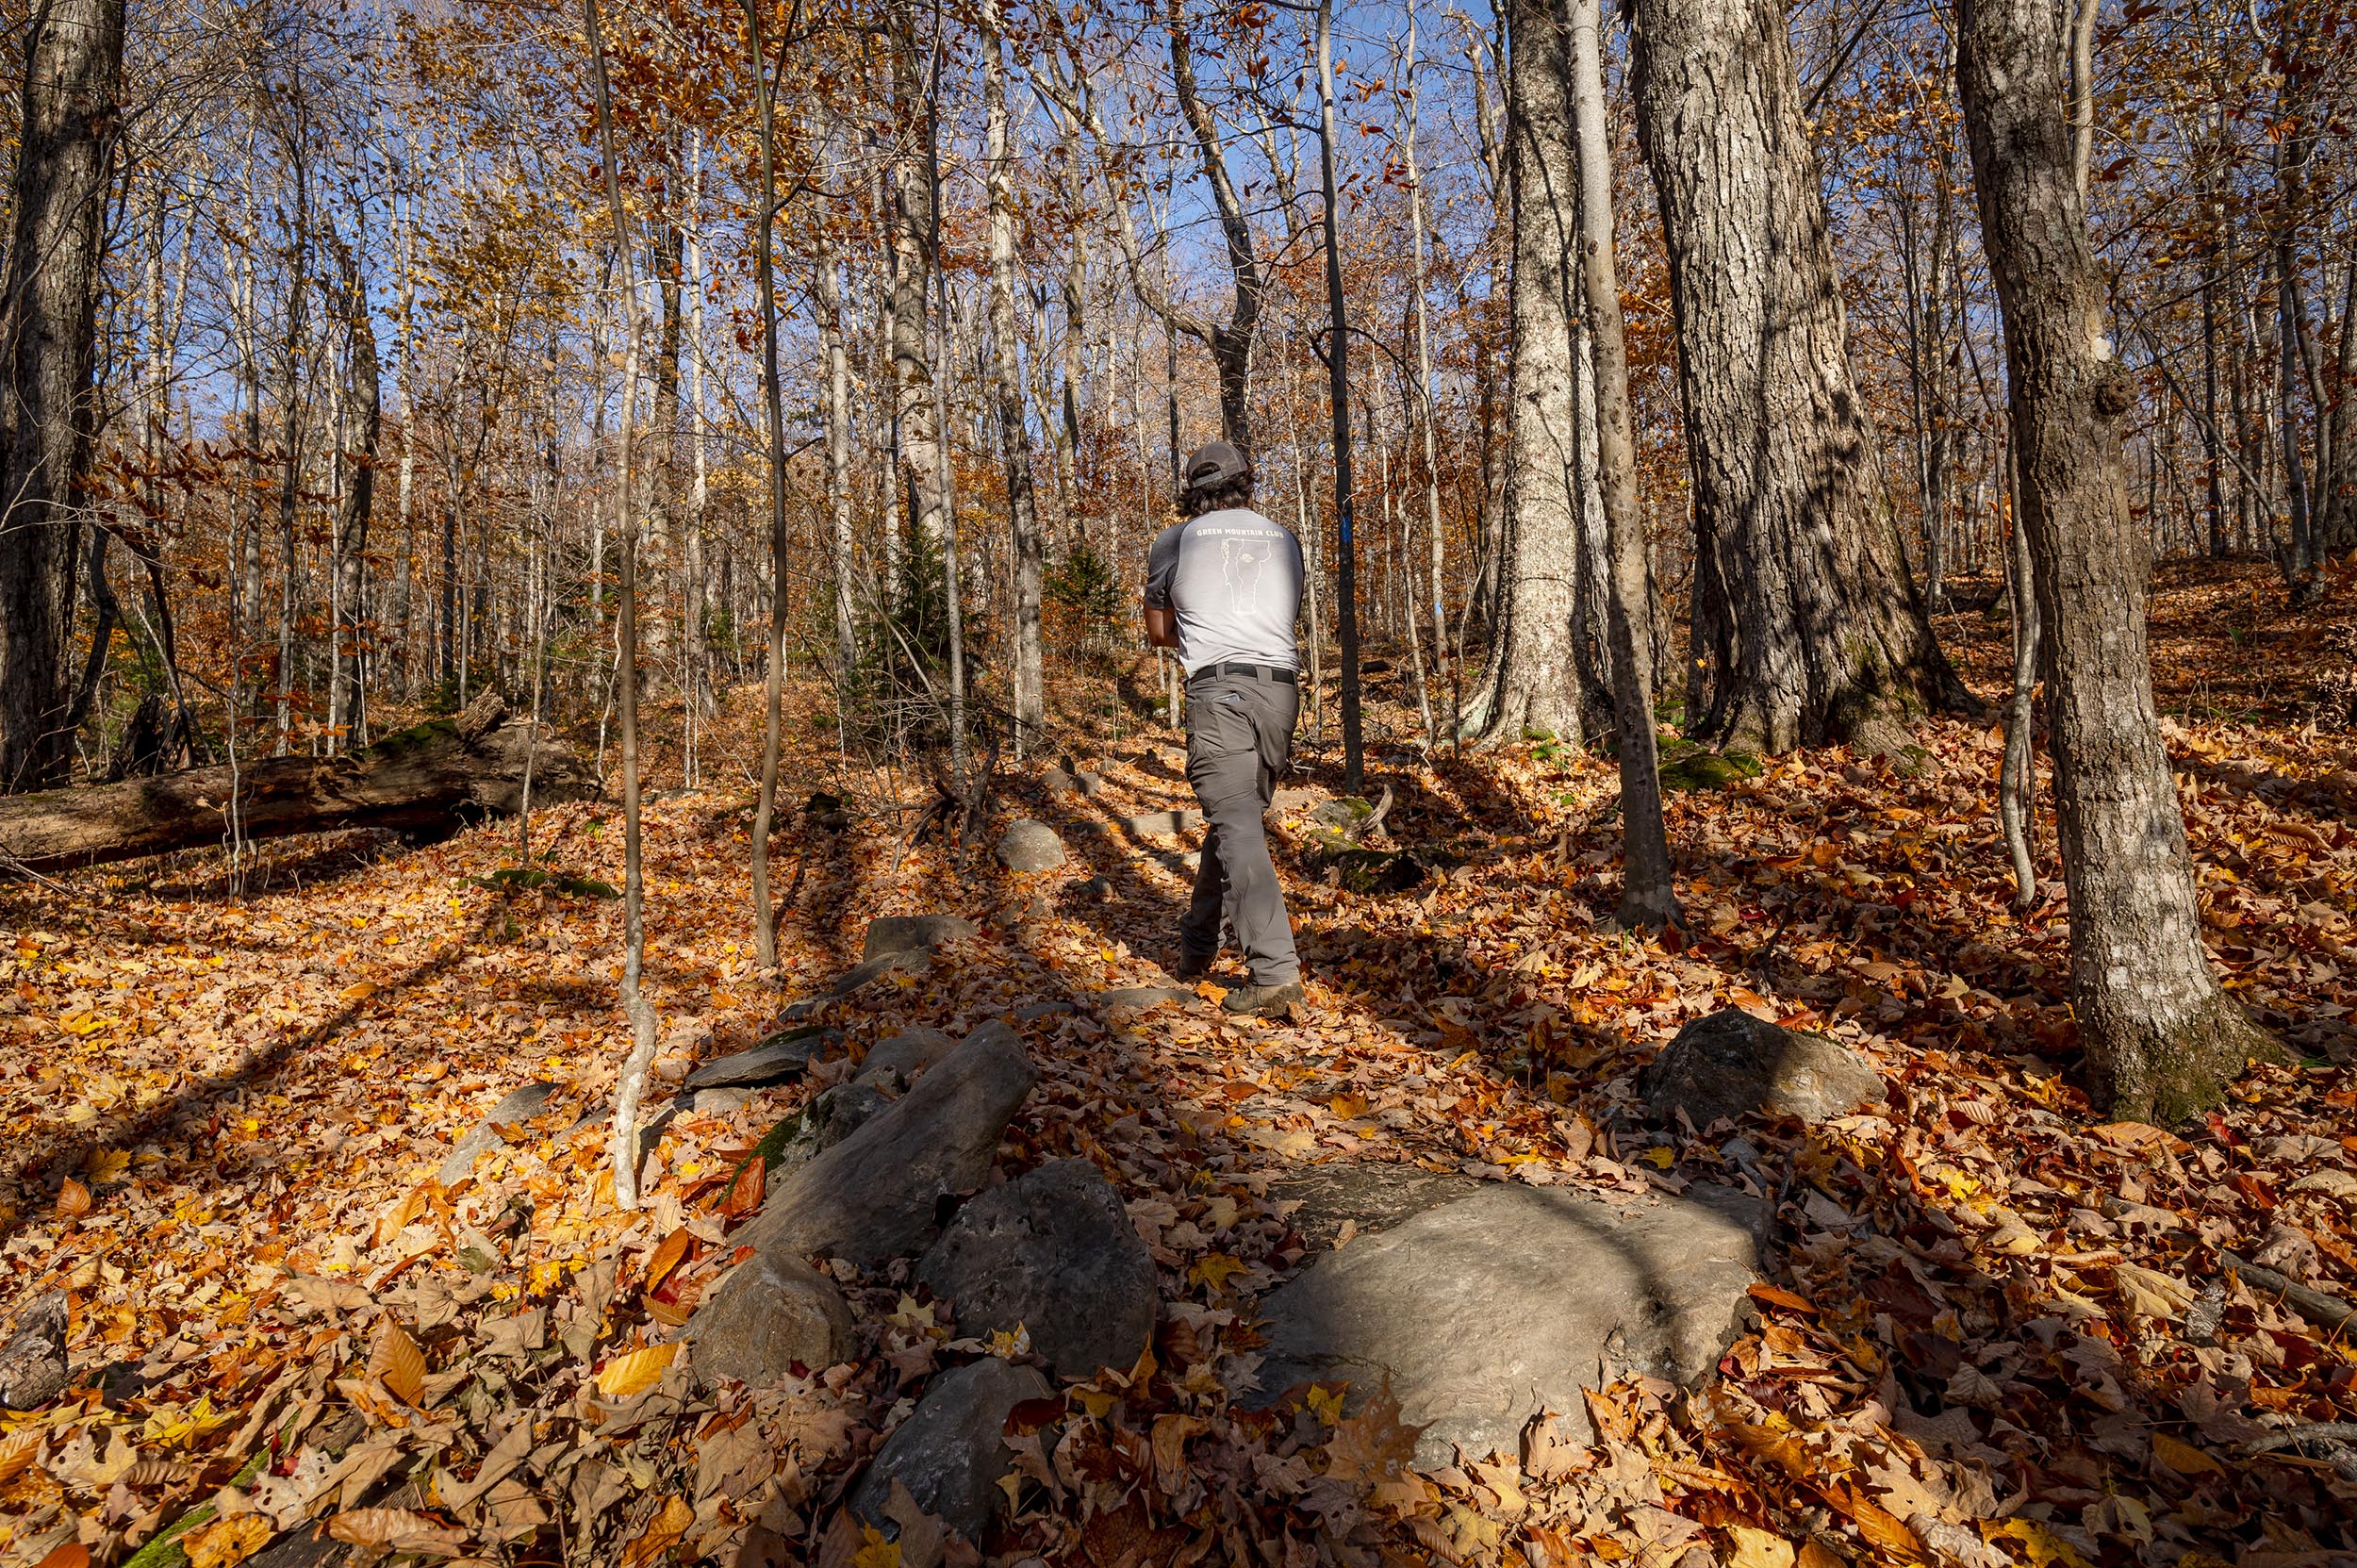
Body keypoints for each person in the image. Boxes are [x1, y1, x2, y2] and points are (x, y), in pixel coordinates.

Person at [1142, 440, 1307, 1016]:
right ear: (1247, 482)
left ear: (1192, 490)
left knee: (1235, 824)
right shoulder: (1284, 538)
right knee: (1233, 821)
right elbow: (1285, 611)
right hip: (1282, 693)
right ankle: (1196, 947)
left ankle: (1275, 973)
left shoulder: (1175, 540)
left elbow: (1160, 632)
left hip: (1219, 691)